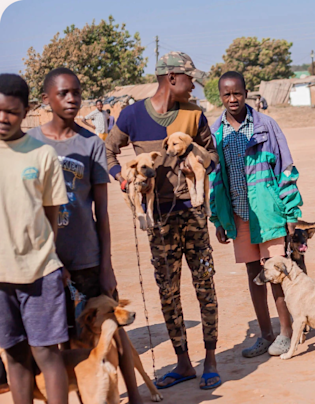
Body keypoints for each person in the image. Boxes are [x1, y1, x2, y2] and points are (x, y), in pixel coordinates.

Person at [28, 67, 144, 403]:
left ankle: (133, 395)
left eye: (76, 92)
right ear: (47, 98)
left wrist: (105, 264)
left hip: (88, 258)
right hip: (47, 261)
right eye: (63, 93)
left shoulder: (92, 142)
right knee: (63, 336)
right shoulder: (30, 143)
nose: (72, 99)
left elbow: (101, 212)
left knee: (111, 332)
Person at [105, 51, 221, 390]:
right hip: (157, 221)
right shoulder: (131, 115)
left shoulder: (194, 114)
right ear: (172, 79)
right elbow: (108, 151)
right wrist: (123, 178)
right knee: (168, 293)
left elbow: (212, 156)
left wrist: (197, 159)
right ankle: (184, 363)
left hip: (194, 214)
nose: (194, 86)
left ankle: (210, 360)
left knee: (205, 288)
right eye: (190, 80)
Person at [210, 71, 302, 358]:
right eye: (227, 94)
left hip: (270, 212)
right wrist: (219, 219)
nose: (233, 99)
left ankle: (286, 332)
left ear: (246, 92)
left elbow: (286, 169)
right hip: (239, 215)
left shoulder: (265, 125)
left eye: (237, 93)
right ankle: (266, 334)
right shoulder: (217, 133)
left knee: (276, 272)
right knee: (254, 273)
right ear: (220, 97)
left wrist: (290, 211)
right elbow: (215, 180)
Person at [0, 73, 69, 404]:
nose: (3, 118)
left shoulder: (42, 156)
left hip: (40, 272)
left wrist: (48, 255)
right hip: (0, 278)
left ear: (25, 110)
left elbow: (51, 215)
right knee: (13, 354)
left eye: (11, 111)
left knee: (46, 352)